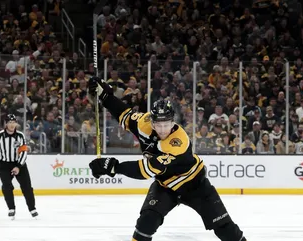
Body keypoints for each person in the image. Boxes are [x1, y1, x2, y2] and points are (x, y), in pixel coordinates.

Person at [87, 77, 246, 241]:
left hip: (195, 186)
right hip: (165, 186)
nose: (163, 129)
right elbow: (124, 115)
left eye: (166, 124)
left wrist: (114, 167)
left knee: (225, 229)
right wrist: (105, 97)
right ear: (152, 121)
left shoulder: (178, 142)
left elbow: (146, 170)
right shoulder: (143, 123)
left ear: (173, 122)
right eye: (159, 124)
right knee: (146, 222)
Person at [0, 114, 38, 220]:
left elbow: (23, 152)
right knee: (7, 186)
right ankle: (11, 208)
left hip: (19, 164)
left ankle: (32, 208)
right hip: (4, 165)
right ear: (6, 124)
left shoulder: (20, 136)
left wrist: (18, 166)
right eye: (9, 122)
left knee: (27, 186)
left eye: (14, 122)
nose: (12, 124)